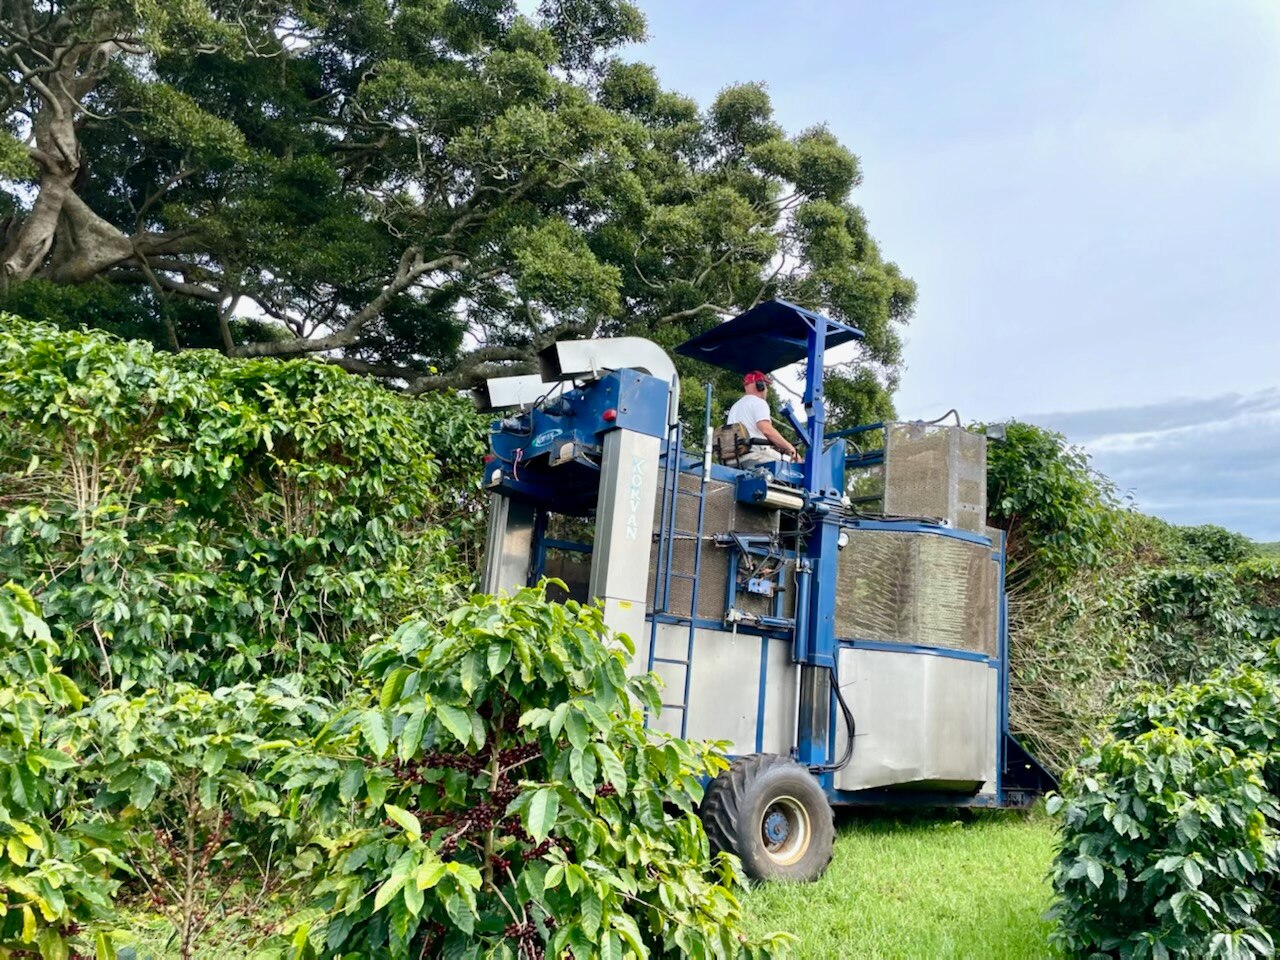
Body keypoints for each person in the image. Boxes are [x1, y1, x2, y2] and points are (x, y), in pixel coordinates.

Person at [726, 370, 798, 467]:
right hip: (755, 454)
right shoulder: (759, 403)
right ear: (760, 386)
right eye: (766, 386)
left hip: (733, 458)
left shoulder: (735, 406)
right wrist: (789, 447)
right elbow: (766, 430)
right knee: (796, 464)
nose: (767, 390)